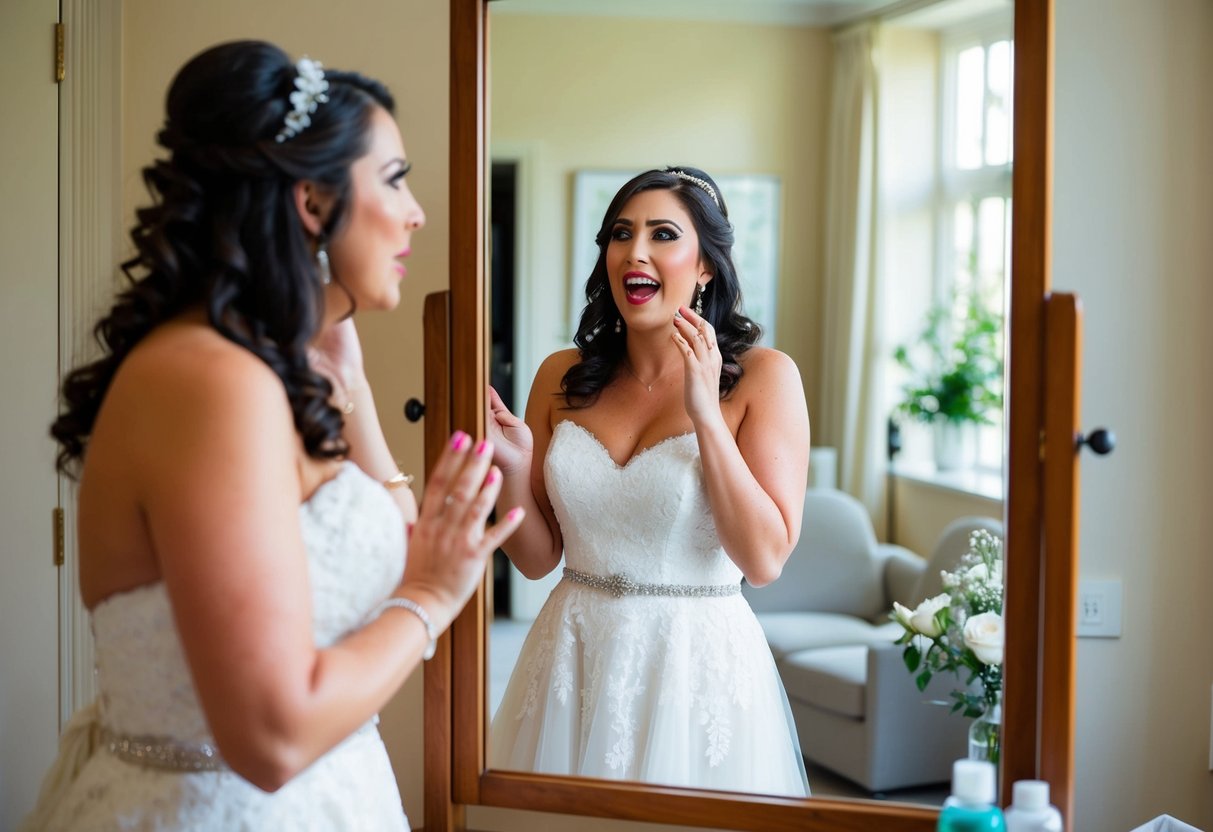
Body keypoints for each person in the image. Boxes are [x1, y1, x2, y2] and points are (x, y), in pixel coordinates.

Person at [22, 40, 522, 831]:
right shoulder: (209, 382)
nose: (417, 212)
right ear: (312, 204)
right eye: (394, 179)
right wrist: (429, 598)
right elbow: (273, 735)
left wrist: (350, 388)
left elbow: (391, 539)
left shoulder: (272, 372)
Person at [486, 166, 811, 796]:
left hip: (694, 664)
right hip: (571, 652)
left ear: (705, 266)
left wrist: (704, 414)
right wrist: (511, 469)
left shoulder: (767, 377)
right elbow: (535, 559)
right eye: (620, 234)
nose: (635, 252)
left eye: (663, 234)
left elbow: (765, 559)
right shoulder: (561, 374)